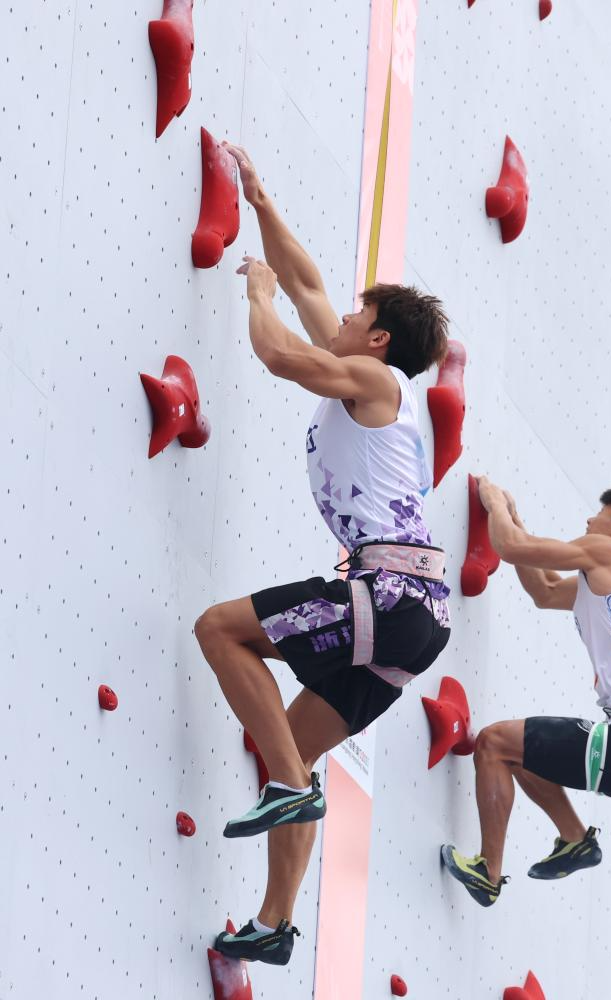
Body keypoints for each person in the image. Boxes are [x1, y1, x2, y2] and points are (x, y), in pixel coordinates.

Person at [194, 143, 451, 965]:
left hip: (391, 592)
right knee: (294, 751)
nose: (335, 319)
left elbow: (279, 352)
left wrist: (256, 295)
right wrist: (261, 202)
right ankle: (273, 924)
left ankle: (287, 789)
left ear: (377, 340)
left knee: (219, 629)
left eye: (351, 318)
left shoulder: (376, 383)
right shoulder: (368, 376)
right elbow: (307, 284)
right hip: (416, 617)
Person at [441, 481, 611, 908]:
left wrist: (495, 502)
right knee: (518, 753)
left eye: (600, 514)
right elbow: (547, 591)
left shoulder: (609, 553)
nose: (589, 520)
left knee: (494, 744)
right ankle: (574, 839)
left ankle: (488, 872)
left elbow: (512, 548)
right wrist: (513, 519)